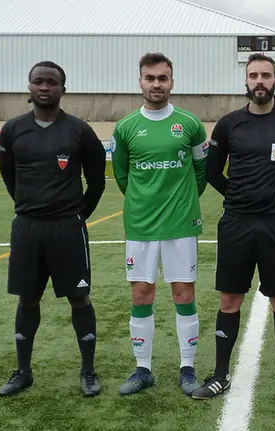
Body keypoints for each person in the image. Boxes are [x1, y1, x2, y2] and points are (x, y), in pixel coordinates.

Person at [191, 53, 275, 403]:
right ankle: (219, 375)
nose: (259, 81)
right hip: (236, 224)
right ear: (245, 82)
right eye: (253, 75)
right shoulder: (229, 124)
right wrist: (239, 196)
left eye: (266, 75)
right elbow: (213, 172)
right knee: (229, 300)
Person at [0, 61, 107, 397]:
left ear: (63, 89)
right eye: (38, 82)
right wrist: (30, 207)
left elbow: (98, 182)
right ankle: (23, 371)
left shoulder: (79, 131)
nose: (44, 87)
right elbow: (9, 178)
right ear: (29, 88)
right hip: (28, 229)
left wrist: (75, 215)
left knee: (79, 297)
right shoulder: (13, 130)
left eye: (52, 82)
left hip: (67, 230)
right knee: (27, 298)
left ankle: (88, 372)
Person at [110, 53, 209, 396]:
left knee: (184, 294)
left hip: (181, 225)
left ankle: (187, 368)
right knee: (141, 294)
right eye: (150, 78)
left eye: (162, 78)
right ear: (140, 82)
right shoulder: (124, 128)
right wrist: (144, 203)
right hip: (140, 226)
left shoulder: (191, 124)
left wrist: (182, 202)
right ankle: (143, 369)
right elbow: (121, 175)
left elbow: (201, 171)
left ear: (172, 82)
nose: (156, 84)